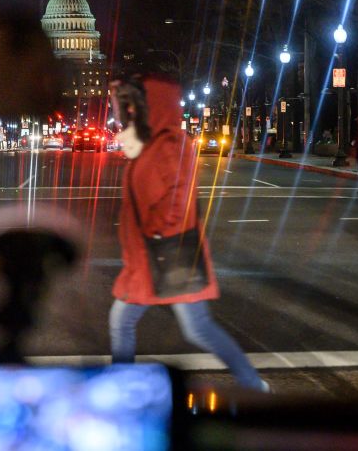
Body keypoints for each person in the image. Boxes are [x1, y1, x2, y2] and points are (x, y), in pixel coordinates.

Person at [108, 73, 269, 392]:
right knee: (132, 322)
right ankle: (252, 384)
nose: (126, 117)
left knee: (195, 329)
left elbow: (176, 205)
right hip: (151, 258)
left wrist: (156, 234)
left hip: (167, 255)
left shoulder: (168, 146)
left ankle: (252, 385)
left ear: (148, 108)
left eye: (131, 110)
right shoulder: (155, 144)